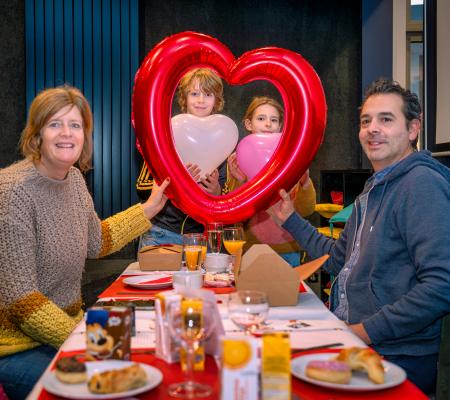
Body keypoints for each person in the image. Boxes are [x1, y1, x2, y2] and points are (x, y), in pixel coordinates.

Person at [269, 78, 450, 394]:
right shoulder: (375, 187)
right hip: (360, 340)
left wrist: (363, 332)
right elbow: (339, 258)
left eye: (386, 119)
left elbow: (441, 285)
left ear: (413, 129)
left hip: (395, 356)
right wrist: (290, 219)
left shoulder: (421, 184)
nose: (372, 129)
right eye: (366, 121)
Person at [0, 86, 169, 398]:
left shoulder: (74, 180)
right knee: (108, 389)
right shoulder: (12, 192)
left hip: (66, 328)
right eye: (55, 124)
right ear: (36, 135)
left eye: (75, 125)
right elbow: (22, 300)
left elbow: (96, 241)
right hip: (17, 349)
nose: (67, 133)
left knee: (147, 362)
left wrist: (148, 210)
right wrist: (83, 336)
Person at [136, 68, 227, 247]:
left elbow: (224, 194)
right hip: (162, 233)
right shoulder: (166, 131)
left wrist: (215, 190)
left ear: (216, 100)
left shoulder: (223, 134)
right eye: (194, 93)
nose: (201, 100)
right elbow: (142, 186)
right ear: (184, 98)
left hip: (201, 237)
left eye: (208, 94)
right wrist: (177, 179)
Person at [226, 96, 316, 266]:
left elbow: (307, 209)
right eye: (261, 119)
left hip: (288, 250)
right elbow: (234, 214)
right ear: (248, 124)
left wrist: (304, 181)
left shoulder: (291, 160)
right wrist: (241, 181)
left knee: (288, 293)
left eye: (273, 120)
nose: (268, 124)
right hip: (252, 249)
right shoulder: (239, 160)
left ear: (280, 126)